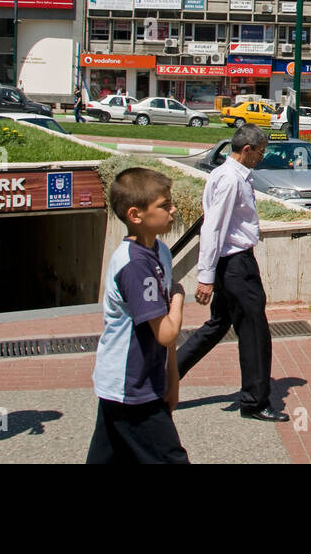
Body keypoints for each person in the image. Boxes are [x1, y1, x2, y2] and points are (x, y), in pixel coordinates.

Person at [176, 125, 288, 421]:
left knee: (217, 325)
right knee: (254, 332)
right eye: (260, 152)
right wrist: (205, 276)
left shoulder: (226, 174)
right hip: (237, 265)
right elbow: (213, 228)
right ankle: (254, 401)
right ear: (246, 149)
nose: (261, 158)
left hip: (231, 264)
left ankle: (166, 376)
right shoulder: (230, 180)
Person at [88, 168, 189, 463]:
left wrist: (172, 380)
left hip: (143, 382)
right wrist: (180, 296)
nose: (173, 211)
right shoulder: (134, 266)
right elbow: (166, 332)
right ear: (136, 215)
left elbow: (165, 342)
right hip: (129, 386)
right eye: (164, 205)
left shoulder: (160, 252)